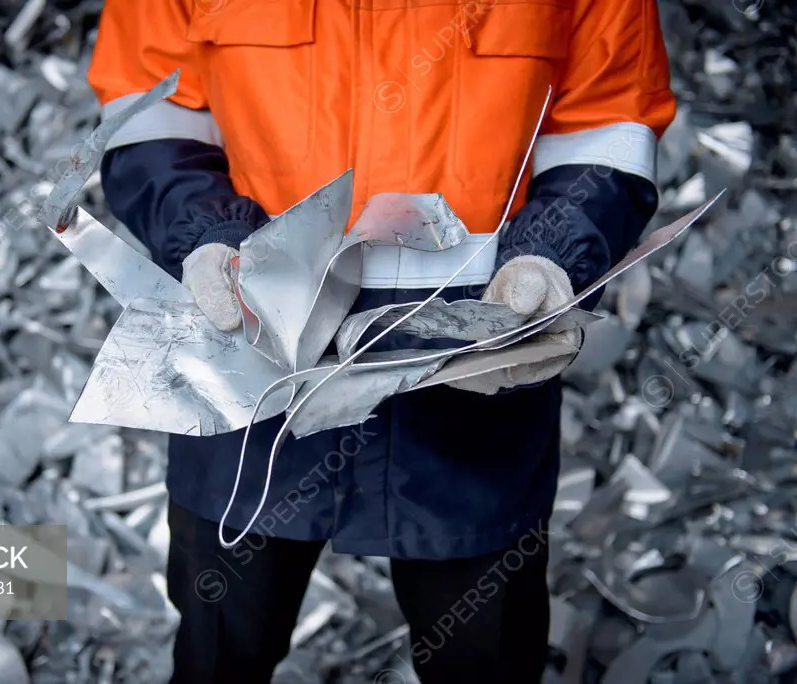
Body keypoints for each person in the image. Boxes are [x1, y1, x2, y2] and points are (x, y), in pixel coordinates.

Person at [88, 2, 675, 682]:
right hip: (254, 352)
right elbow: (151, 106)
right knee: (221, 645)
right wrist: (204, 233)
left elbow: (609, 123)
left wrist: (551, 259)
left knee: (484, 656)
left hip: (474, 360)